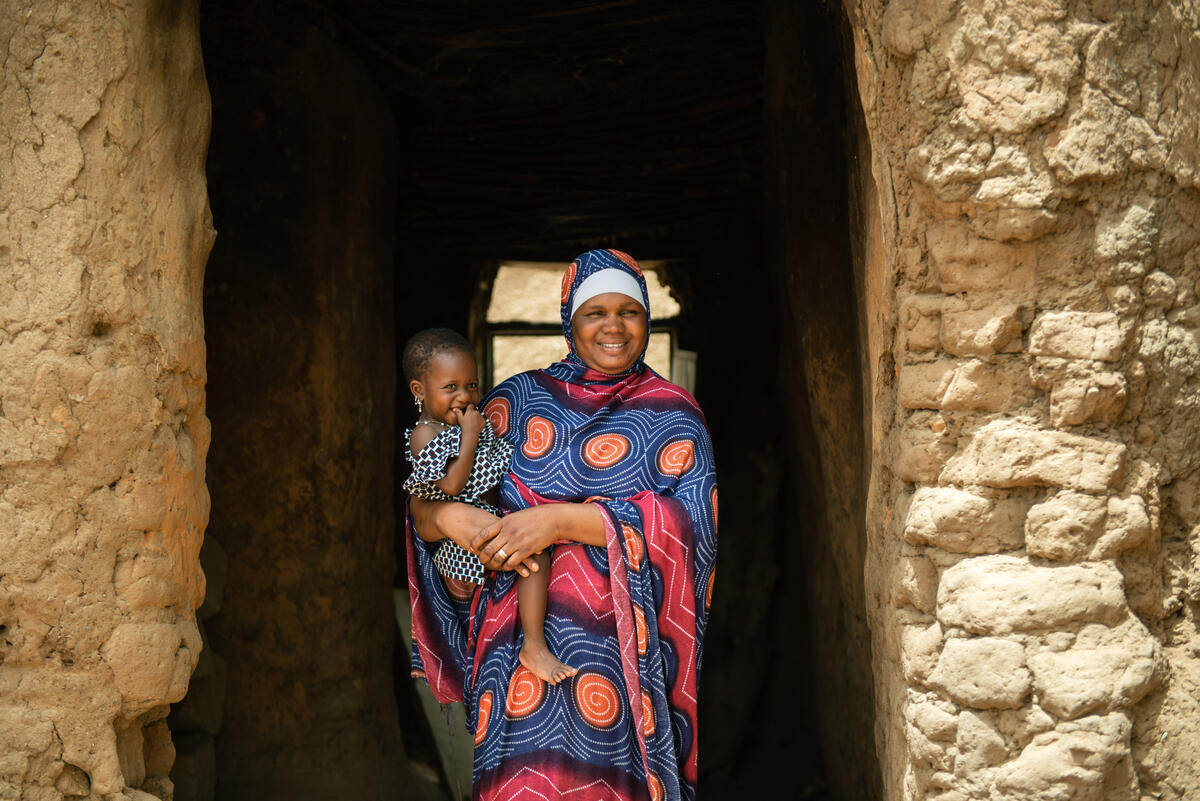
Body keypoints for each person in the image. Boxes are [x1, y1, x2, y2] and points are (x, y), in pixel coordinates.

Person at [406, 249, 717, 801]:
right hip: (509, 654)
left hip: (621, 660)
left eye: (630, 311)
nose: (614, 326)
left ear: (648, 318)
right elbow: (428, 504)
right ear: (569, 321)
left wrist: (558, 522)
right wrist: (450, 516)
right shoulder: (513, 405)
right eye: (595, 312)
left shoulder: (675, 415)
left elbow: (692, 530)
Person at [402, 328, 577, 684]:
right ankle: (533, 645)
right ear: (419, 391)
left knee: (535, 554)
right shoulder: (425, 434)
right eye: (450, 387)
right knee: (531, 558)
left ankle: (530, 645)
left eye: (472, 385)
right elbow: (453, 484)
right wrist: (469, 435)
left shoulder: (471, 424)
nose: (464, 396)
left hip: (480, 522)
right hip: (456, 544)